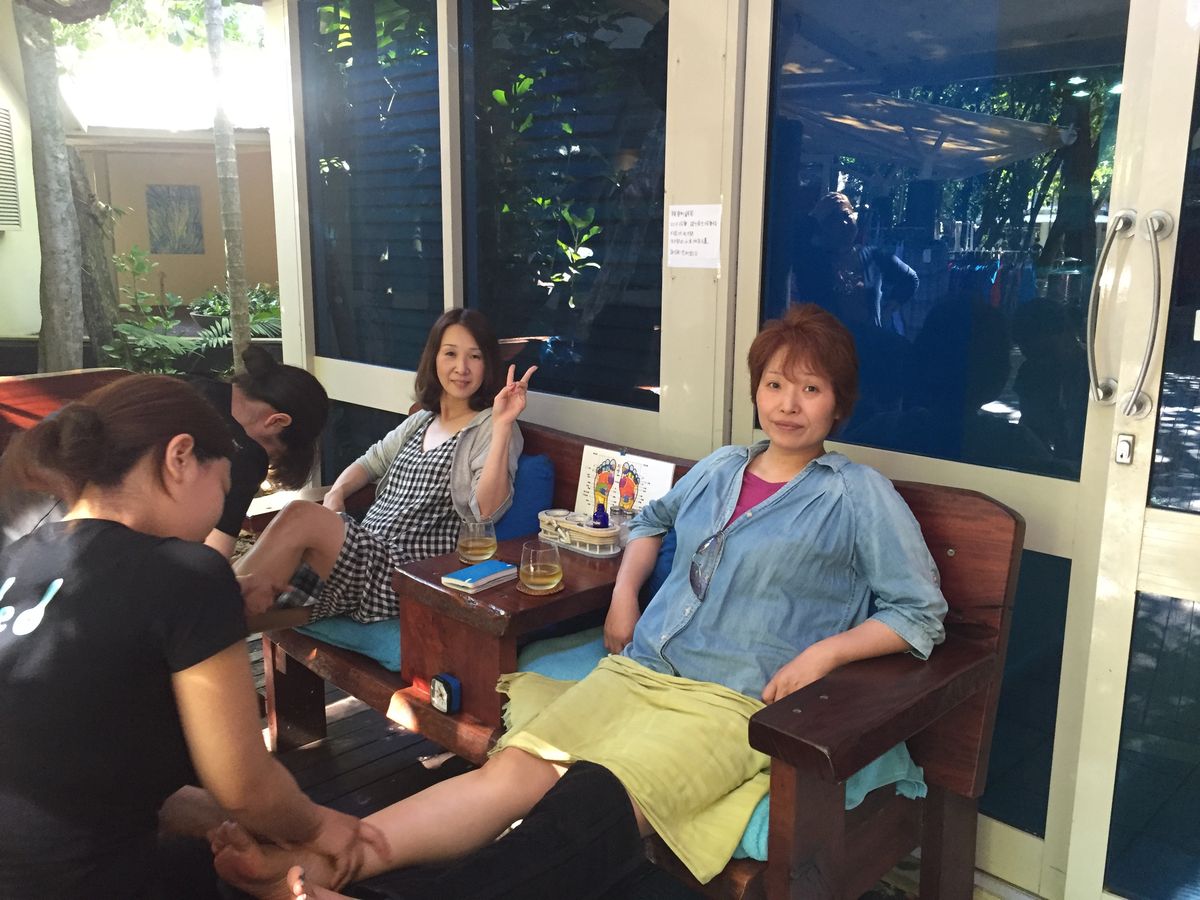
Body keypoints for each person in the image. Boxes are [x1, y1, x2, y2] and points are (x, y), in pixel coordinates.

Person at [207, 304, 948, 900]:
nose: (789, 404)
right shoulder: (725, 466)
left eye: (811, 390)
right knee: (510, 775)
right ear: (757, 390)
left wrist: (825, 655)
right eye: (777, 384)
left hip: (731, 700)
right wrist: (624, 596)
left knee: (596, 798)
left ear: (838, 404)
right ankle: (333, 859)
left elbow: (918, 612)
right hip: (642, 670)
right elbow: (649, 522)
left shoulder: (857, 495)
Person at [0, 375, 374, 899]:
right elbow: (244, 785)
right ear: (179, 458)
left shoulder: (17, 559)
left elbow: (91, 776)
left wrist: (236, 820)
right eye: (223, 488)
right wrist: (317, 827)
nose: (219, 511)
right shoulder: (187, 571)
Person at [235, 309, 536, 623]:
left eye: (474, 356)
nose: (462, 368)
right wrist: (336, 494)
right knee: (251, 614)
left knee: (300, 515)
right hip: (367, 552)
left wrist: (502, 425)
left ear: (487, 364)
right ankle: (214, 613)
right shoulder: (421, 421)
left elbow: (485, 512)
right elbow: (370, 462)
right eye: (450, 354)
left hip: (412, 572)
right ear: (434, 358)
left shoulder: (492, 426)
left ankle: (211, 599)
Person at [188, 345, 330, 558]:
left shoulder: (188, 385)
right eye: (272, 454)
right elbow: (212, 559)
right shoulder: (246, 455)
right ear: (277, 421)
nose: (266, 460)